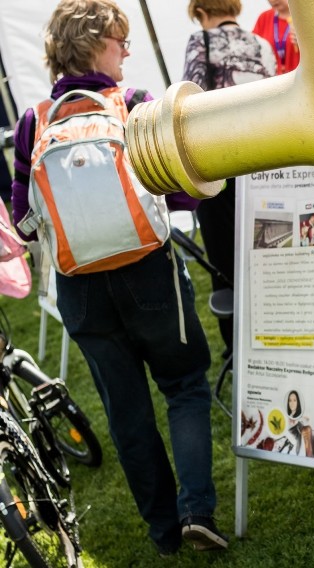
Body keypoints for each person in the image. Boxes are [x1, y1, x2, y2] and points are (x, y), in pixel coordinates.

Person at [11, 0, 227, 556]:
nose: (127, 50)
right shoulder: (132, 106)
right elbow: (179, 190)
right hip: (147, 272)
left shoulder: (34, 120)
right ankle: (196, 511)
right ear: (91, 45)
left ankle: (162, 533)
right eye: (119, 41)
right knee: (184, 386)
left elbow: (23, 220)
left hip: (81, 289)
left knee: (127, 412)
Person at [182, 0, 276, 356]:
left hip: (220, 169)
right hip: (264, 164)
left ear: (201, 12)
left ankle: (237, 347)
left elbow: (190, 104)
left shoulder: (200, 42)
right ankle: (271, 334)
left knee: (226, 267)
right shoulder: (262, 45)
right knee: (266, 255)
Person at [252, 0, 300, 75]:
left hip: (300, 78)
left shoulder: (304, 17)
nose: (273, 0)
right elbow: (254, 49)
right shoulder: (264, 17)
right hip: (274, 80)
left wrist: (305, 42)